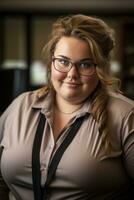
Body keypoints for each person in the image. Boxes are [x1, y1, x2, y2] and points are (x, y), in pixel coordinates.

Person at [0, 14, 134, 200]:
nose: (72, 74)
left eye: (85, 64)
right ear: (52, 61)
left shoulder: (126, 115)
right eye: (63, 61)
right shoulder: (20, 105)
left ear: (100, 67)